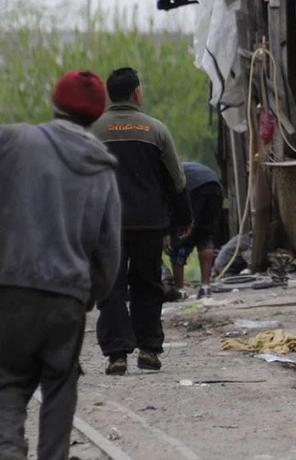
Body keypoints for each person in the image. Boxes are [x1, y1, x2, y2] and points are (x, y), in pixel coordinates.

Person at [0, 71, 121, 460]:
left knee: (9, 381)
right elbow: (109, 250)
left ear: (54, 104)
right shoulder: (104, 172)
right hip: (69, 297)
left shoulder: (14, 141)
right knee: (61, 383)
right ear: (96, 116)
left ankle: (8, 444)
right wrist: (91, 296)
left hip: (14, 292)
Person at [91, 67, 193, 375]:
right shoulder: (156, 130)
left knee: (111, 288)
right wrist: (182, 218)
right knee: (147, 285)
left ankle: (117, 355)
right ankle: (148, 350)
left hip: (107, 225)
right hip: (148, 223)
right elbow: (176, 179)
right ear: (137, 93)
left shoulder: (92, 132)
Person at [165, 161, 223, 300]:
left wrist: (168, 233)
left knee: (181, 237)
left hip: (194, 189)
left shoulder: (161, 178)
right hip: (214, 186)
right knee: (206, 236)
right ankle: (205, 287)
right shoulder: (179, 168)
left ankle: (180, 289)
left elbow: (168, 208)